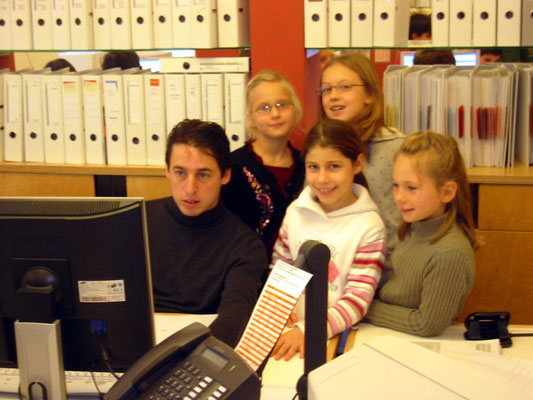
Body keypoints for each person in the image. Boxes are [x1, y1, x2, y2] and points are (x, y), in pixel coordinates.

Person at [271, 118, 386, 361]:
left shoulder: (369, 227)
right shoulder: (295, 212)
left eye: (334, 166)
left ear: (357, 164)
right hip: (290, 331)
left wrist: (308, 330)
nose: (322, 179)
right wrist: (280, 307)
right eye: (313, 167)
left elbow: (356, 300)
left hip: (336, 339)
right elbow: (279, 270)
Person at [146, 119, 268, 347]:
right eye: (180, 173)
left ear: (225, 176)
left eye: (203, 175)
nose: (190, 188)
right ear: (167, 171)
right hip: (132, 349)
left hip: (198, 352)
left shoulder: (245, 246)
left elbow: (236, 315)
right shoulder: (137, 221)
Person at [365, 131, 477, 336]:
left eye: (411, 188)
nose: (399, 197)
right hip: (388, 332)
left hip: (414, 340)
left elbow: (426, 325)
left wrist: (364, 308)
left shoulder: (449, 254)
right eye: (396, 185)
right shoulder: (412, 227)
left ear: (447, 192)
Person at [318, 53, 404, 284]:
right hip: (335, 278)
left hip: (388, 277)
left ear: (369, 94)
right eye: (326, 90)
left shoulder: (396, 148)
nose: (333, 96)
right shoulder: (320, 148)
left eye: (344, 87)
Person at [221, 70, 305, 260]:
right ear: (251, 118)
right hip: (249, 274)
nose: (275, 114)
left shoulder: (309, 165)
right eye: (264, 108)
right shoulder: (233, 168)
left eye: (282, 105)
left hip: (301, 274)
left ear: (295, 109)